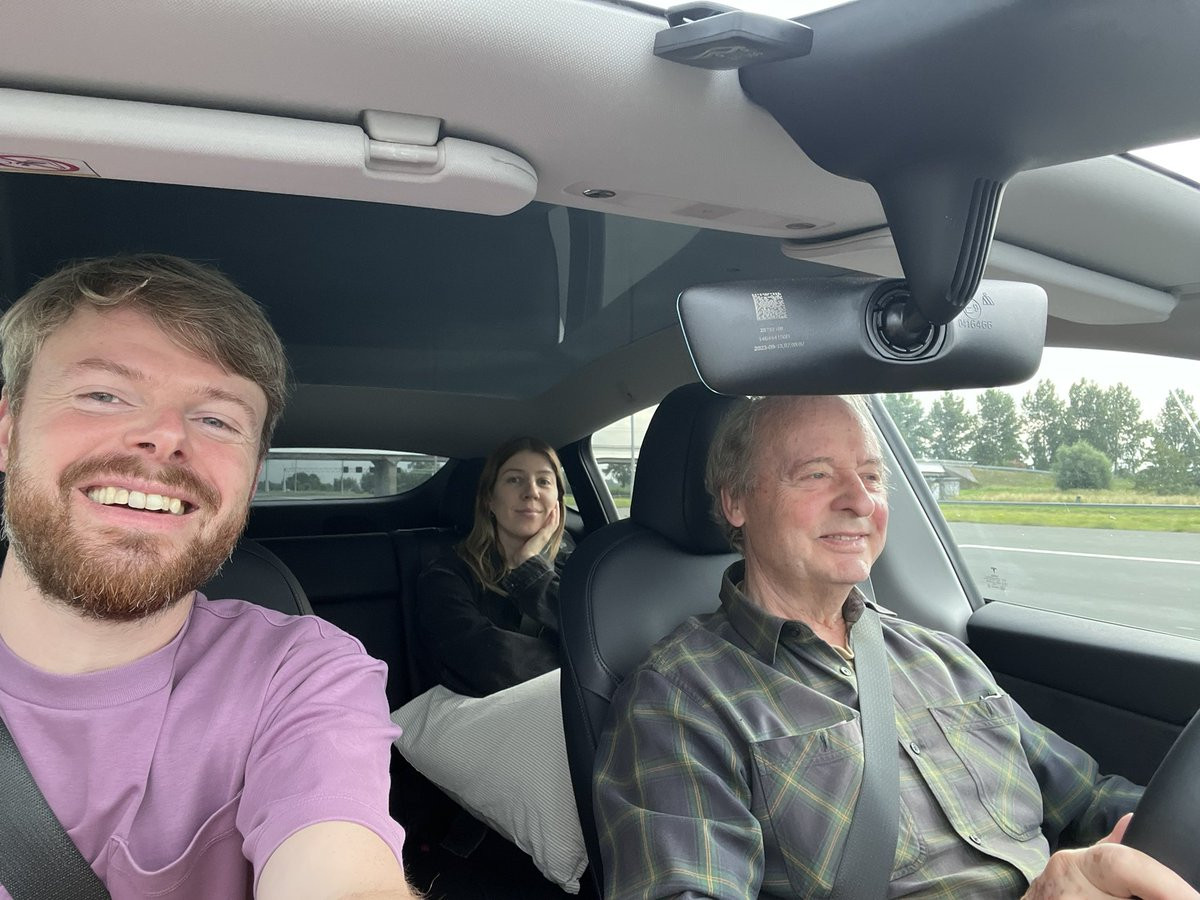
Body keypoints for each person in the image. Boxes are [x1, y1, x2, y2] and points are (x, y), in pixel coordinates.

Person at [593, 394, 1197, 900]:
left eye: (872, 476)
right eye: (817, 473)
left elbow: (1090, 798)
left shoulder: (940, 657)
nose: (859, 500)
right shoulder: (679, 697)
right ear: (736, 500)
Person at [0, 255, 418, 899]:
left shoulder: (298, 674)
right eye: (103, 394)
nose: (165, 435)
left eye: (217, 419)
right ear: (7, 432)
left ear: (250, 480)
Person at [417, 437, 570, 696]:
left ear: (557, 500)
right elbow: (492, 662)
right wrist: (580, 666)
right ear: (489, 499)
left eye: (544, 481)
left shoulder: (575, 569)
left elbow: (599, 638)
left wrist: (531, 567)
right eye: (514, 479)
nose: (531, 492)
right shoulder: (446, 576)